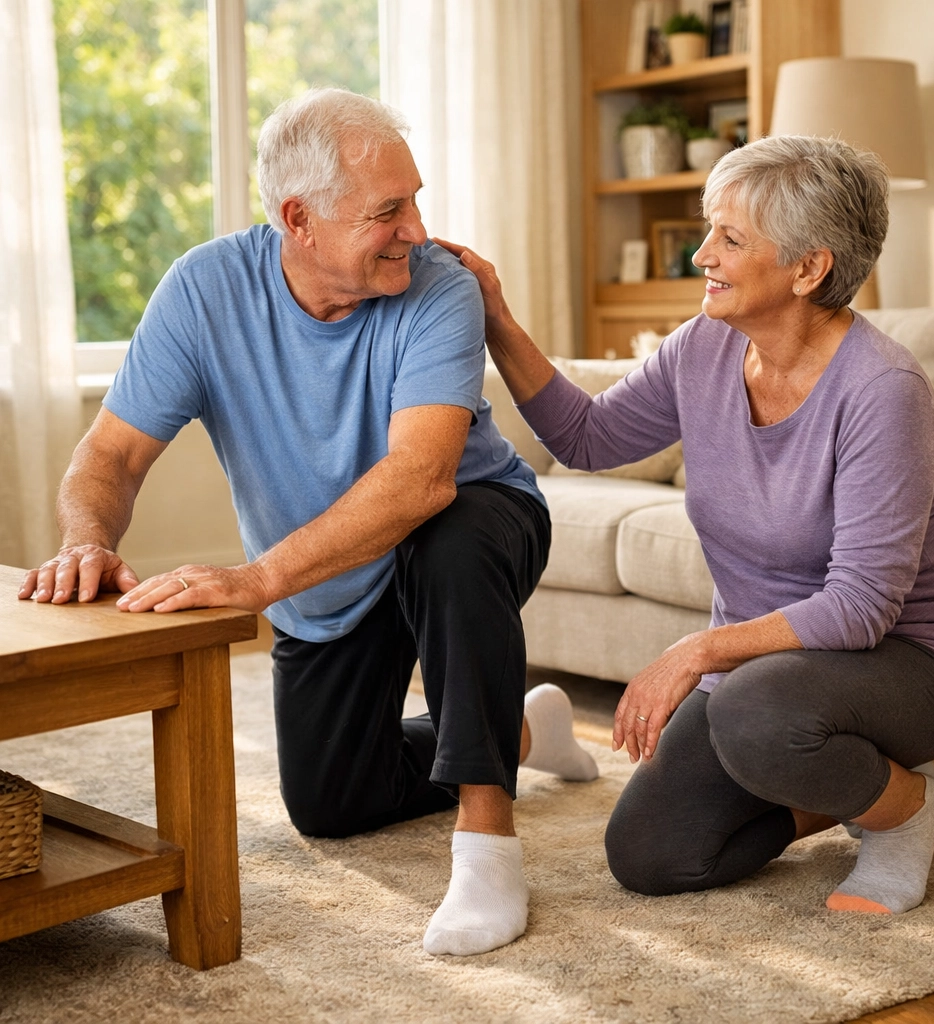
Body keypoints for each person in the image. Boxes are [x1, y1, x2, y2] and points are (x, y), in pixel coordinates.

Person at [18, 88, 600, 957]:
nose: (416, 227)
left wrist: (253, 581)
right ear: (301, 219)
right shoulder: (205, 291)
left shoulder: (440, 290)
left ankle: (487, 844)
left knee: (450, 539)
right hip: (329, 572)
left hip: (475, 520)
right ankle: (520, 727)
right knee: (332, 803)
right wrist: (87, 541)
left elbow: (420, 478)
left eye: (415, 199)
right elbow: (110, 457)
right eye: (388, 210)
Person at [439, 134, 934, 916]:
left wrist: (696, 651)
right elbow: (588, 439)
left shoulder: (884, 391)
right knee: (652, 853)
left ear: (809, 268)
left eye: (729, 238)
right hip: (773, 676)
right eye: (709, 229)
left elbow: (862, 606)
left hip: (919, 661)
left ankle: (905, 813)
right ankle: (884, 786)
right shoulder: (705, 345)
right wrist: (496, 317)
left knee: (756, 713)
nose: (702, 253)